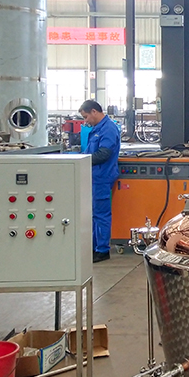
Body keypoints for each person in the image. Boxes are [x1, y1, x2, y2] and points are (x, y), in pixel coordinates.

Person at [79, 100, 121, 263]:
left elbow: (104, 154)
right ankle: (94, 247)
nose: (86, 121)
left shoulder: (108, 129)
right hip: (95, 176)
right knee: (95, 214)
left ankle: (102, 250)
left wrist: (82, 160)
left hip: (102, 177)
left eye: (86, 117)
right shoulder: (98, 128)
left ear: (94, 112)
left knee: (101, 214)